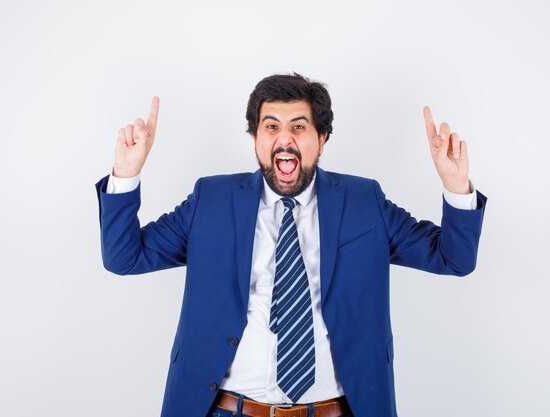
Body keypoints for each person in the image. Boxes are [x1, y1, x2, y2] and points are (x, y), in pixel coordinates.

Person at [95, 73, 487, 417]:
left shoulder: (364, 202)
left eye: (299, 127)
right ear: (254, 138)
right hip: (225, 409)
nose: (284, 139)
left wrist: (455, 187)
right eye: (270, 127)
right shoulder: (211, 200)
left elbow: (453, 258)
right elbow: (125, 257)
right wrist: (126, 176)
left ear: (322, 137)